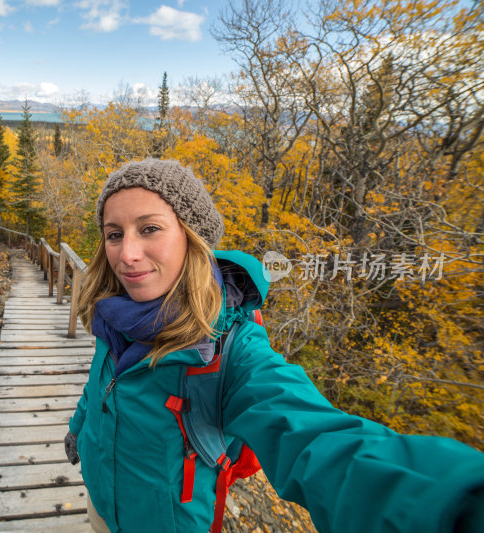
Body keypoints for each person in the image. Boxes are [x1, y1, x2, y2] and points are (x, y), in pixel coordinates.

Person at [63, 158, 484, 533]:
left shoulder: (232, 346)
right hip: (101, 504)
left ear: (192, 237)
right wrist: (80, 428)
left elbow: (314, 437)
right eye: (114, 234)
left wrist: (452, 505)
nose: (127, 254)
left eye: (150, 228)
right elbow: (102, 383)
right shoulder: (112, 314)